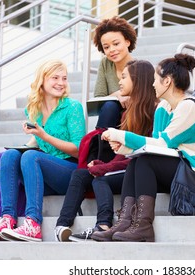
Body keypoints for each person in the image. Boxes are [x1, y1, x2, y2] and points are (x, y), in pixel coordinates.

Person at [91, 53, 195, 242]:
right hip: (187, 168)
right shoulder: (163, 108)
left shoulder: (189, 106)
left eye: (156, 80)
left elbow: (164, 143)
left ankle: (143, 226)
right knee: (138, 161)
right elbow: (157, 149)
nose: (152, 84)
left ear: (167, 81)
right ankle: (125, 222)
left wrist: (121, 135)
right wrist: (124, 148)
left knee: (146, 162)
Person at [0, 59, 86, 242]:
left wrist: (43, 136)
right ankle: (8, 219)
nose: (61, 83)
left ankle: (33, 224)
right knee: (10, 155)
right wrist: (31, 140)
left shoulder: (72, 107)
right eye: (55, 77)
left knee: (31, 157)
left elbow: (79, 150)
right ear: (42, 80)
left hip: (69, 172)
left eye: (64, 78)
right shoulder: (32, 109)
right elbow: (36, 141)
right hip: (43, 174)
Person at [54, 60, 158, 242]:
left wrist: (104, 169)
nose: (119, 82)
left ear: (138, 80)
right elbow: (123, 154)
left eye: (124, 77)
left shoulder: (154, 111)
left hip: (141, 171)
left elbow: (142, 156)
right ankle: (62, 225)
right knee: (80, 174)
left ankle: (103, 225)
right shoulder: (129, 113)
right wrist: (103, 164)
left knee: (100, 179)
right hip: (125, 166)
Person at [93, 16, 137, 129]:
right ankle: (99, 143)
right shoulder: (105, 63)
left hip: (134, 119)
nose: (111, 50)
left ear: (127, 42)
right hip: (110, 117)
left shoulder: (139, 67)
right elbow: (98, 97)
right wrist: (118, 95)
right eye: (106, 47)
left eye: (116, 44)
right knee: (110, 105)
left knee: (110, 105)